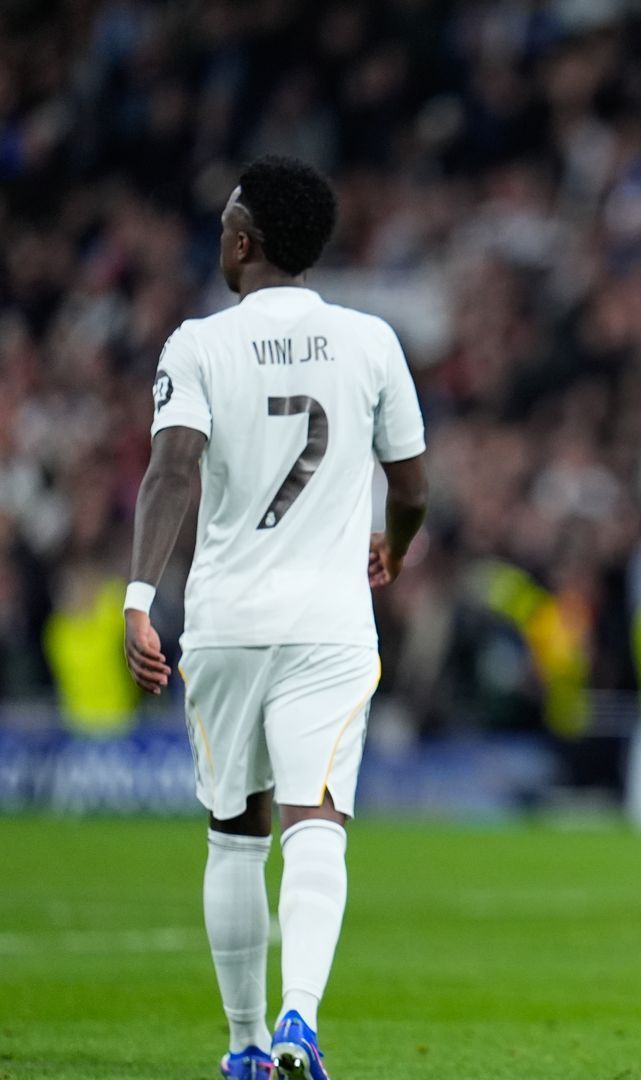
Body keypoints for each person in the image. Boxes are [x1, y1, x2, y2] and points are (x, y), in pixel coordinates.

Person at [122, 155, 428, 1080]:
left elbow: (171, 471)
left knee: (233, 833)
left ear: (243, 242)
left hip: (225, 622)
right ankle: (301, 1021)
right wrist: (394, 546)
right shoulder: (370, 340)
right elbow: (413, 483)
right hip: (330, 626)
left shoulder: (198, 346)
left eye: (223, 224)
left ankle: (247, 1046)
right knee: (318, 822)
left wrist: (139, 600)